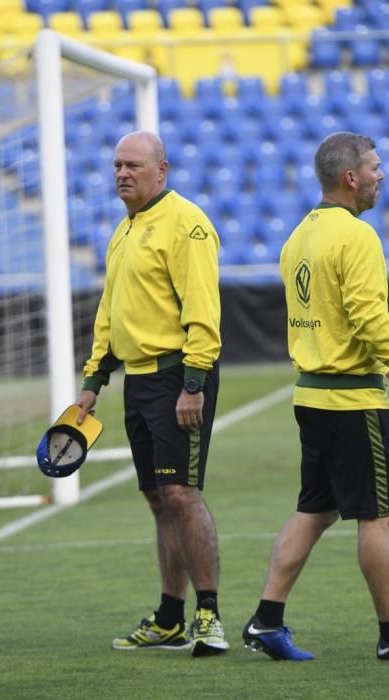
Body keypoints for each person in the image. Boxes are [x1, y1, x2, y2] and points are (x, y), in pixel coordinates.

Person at [75, 130, 229, 657]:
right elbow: (109, 313)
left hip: (177, 377)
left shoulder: (186, 224)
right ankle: (169, 618)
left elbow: (203, 312)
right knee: (159, 499)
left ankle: (209, 616)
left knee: (182, 494)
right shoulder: (125, 229)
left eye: (134, 165)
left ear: (161, 170)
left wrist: (192, 385)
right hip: (138, 381)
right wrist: (93, 382)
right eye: (117, 164)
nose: (123, 173)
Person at [243, 131, 389, 662]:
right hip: (353, 400)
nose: (379, 174)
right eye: (374, 167)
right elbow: (371, 318)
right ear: (351, 177)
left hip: (311, 397)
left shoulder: (299, 234)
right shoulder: (358, 237)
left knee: (316, 510)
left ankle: (266, 620)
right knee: (377, 516)